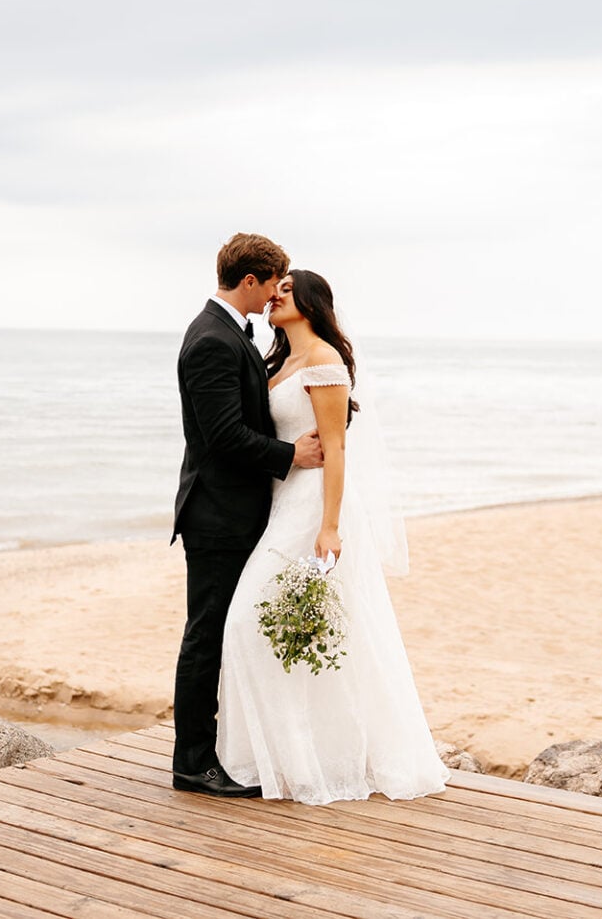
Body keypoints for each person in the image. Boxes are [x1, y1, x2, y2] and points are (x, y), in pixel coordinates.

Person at [216, 269, 448, 804]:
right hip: (281, 504)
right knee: (280, 633)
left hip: (313, 508)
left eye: (288, 290)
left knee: (254, 622)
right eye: (275, 288)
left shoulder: (324, 360)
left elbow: (337, 449)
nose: (275, 295)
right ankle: (295, 757)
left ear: (313, 303)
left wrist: (329, 526)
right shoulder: (279, 362)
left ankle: (317, 762)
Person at [171, 233, 324, 797]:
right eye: (271, 286)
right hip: (217, 516)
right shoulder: (211, 338)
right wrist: (292, 455)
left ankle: (222, 751)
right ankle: (192, 763)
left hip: (238, 513)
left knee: (225, 634)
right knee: (206, 638)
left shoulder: (229, 333)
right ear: (251, 280)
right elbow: (222, 436)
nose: (272, 299)